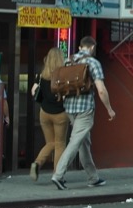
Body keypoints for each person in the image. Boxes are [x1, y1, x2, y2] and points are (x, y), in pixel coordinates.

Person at [51, 36, 115, 190]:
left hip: (70, 108)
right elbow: (101, 89)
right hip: (85, 108)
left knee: (83, 142)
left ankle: (93, 177)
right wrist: (109, 109)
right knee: (75, 141)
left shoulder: (68, 61)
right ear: (92, 48)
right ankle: (58, 175)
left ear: (80, 47)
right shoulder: (93, 63)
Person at [29, 47, 70, 182]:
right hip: (59, 114)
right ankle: (57, 175)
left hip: (44, 113)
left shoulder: (41, 75)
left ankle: (37, 164)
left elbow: (33, 91)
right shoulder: (63, 76)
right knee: (59, 144)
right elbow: (66, 96)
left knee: (50, 143)